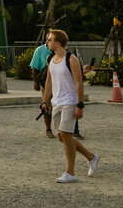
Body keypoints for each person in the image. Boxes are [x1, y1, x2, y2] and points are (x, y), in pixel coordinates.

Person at [40, 28, 98, 183]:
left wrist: (80, 105)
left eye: (49, 40)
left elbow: (79, 83)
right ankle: (91, 157)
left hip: (70, 101)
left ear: (58, 43)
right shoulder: (50, 59)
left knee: (66, 135)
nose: (47, 42)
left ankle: (70, 172)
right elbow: (49, 81)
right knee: (62, 137)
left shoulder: (71, 59)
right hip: (56, 102)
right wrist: (45, 100)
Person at [30, 40, 53, 137]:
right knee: (46, 105)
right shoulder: (39, 50)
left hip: (60, 84)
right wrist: (36, 83)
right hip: (45, 82)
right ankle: (48, 129)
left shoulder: (61, 50)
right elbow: (34, 68)